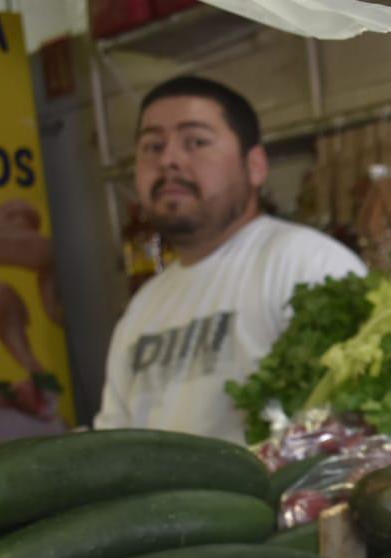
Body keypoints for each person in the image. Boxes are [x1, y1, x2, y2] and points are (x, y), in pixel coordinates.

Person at [96, 76, 365, 441]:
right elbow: (114, 439)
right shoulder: (142, 309)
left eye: (196, 141)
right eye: (152, 146)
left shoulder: (307, 265)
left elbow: (352, 430)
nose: (169, 160)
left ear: (254, 165)